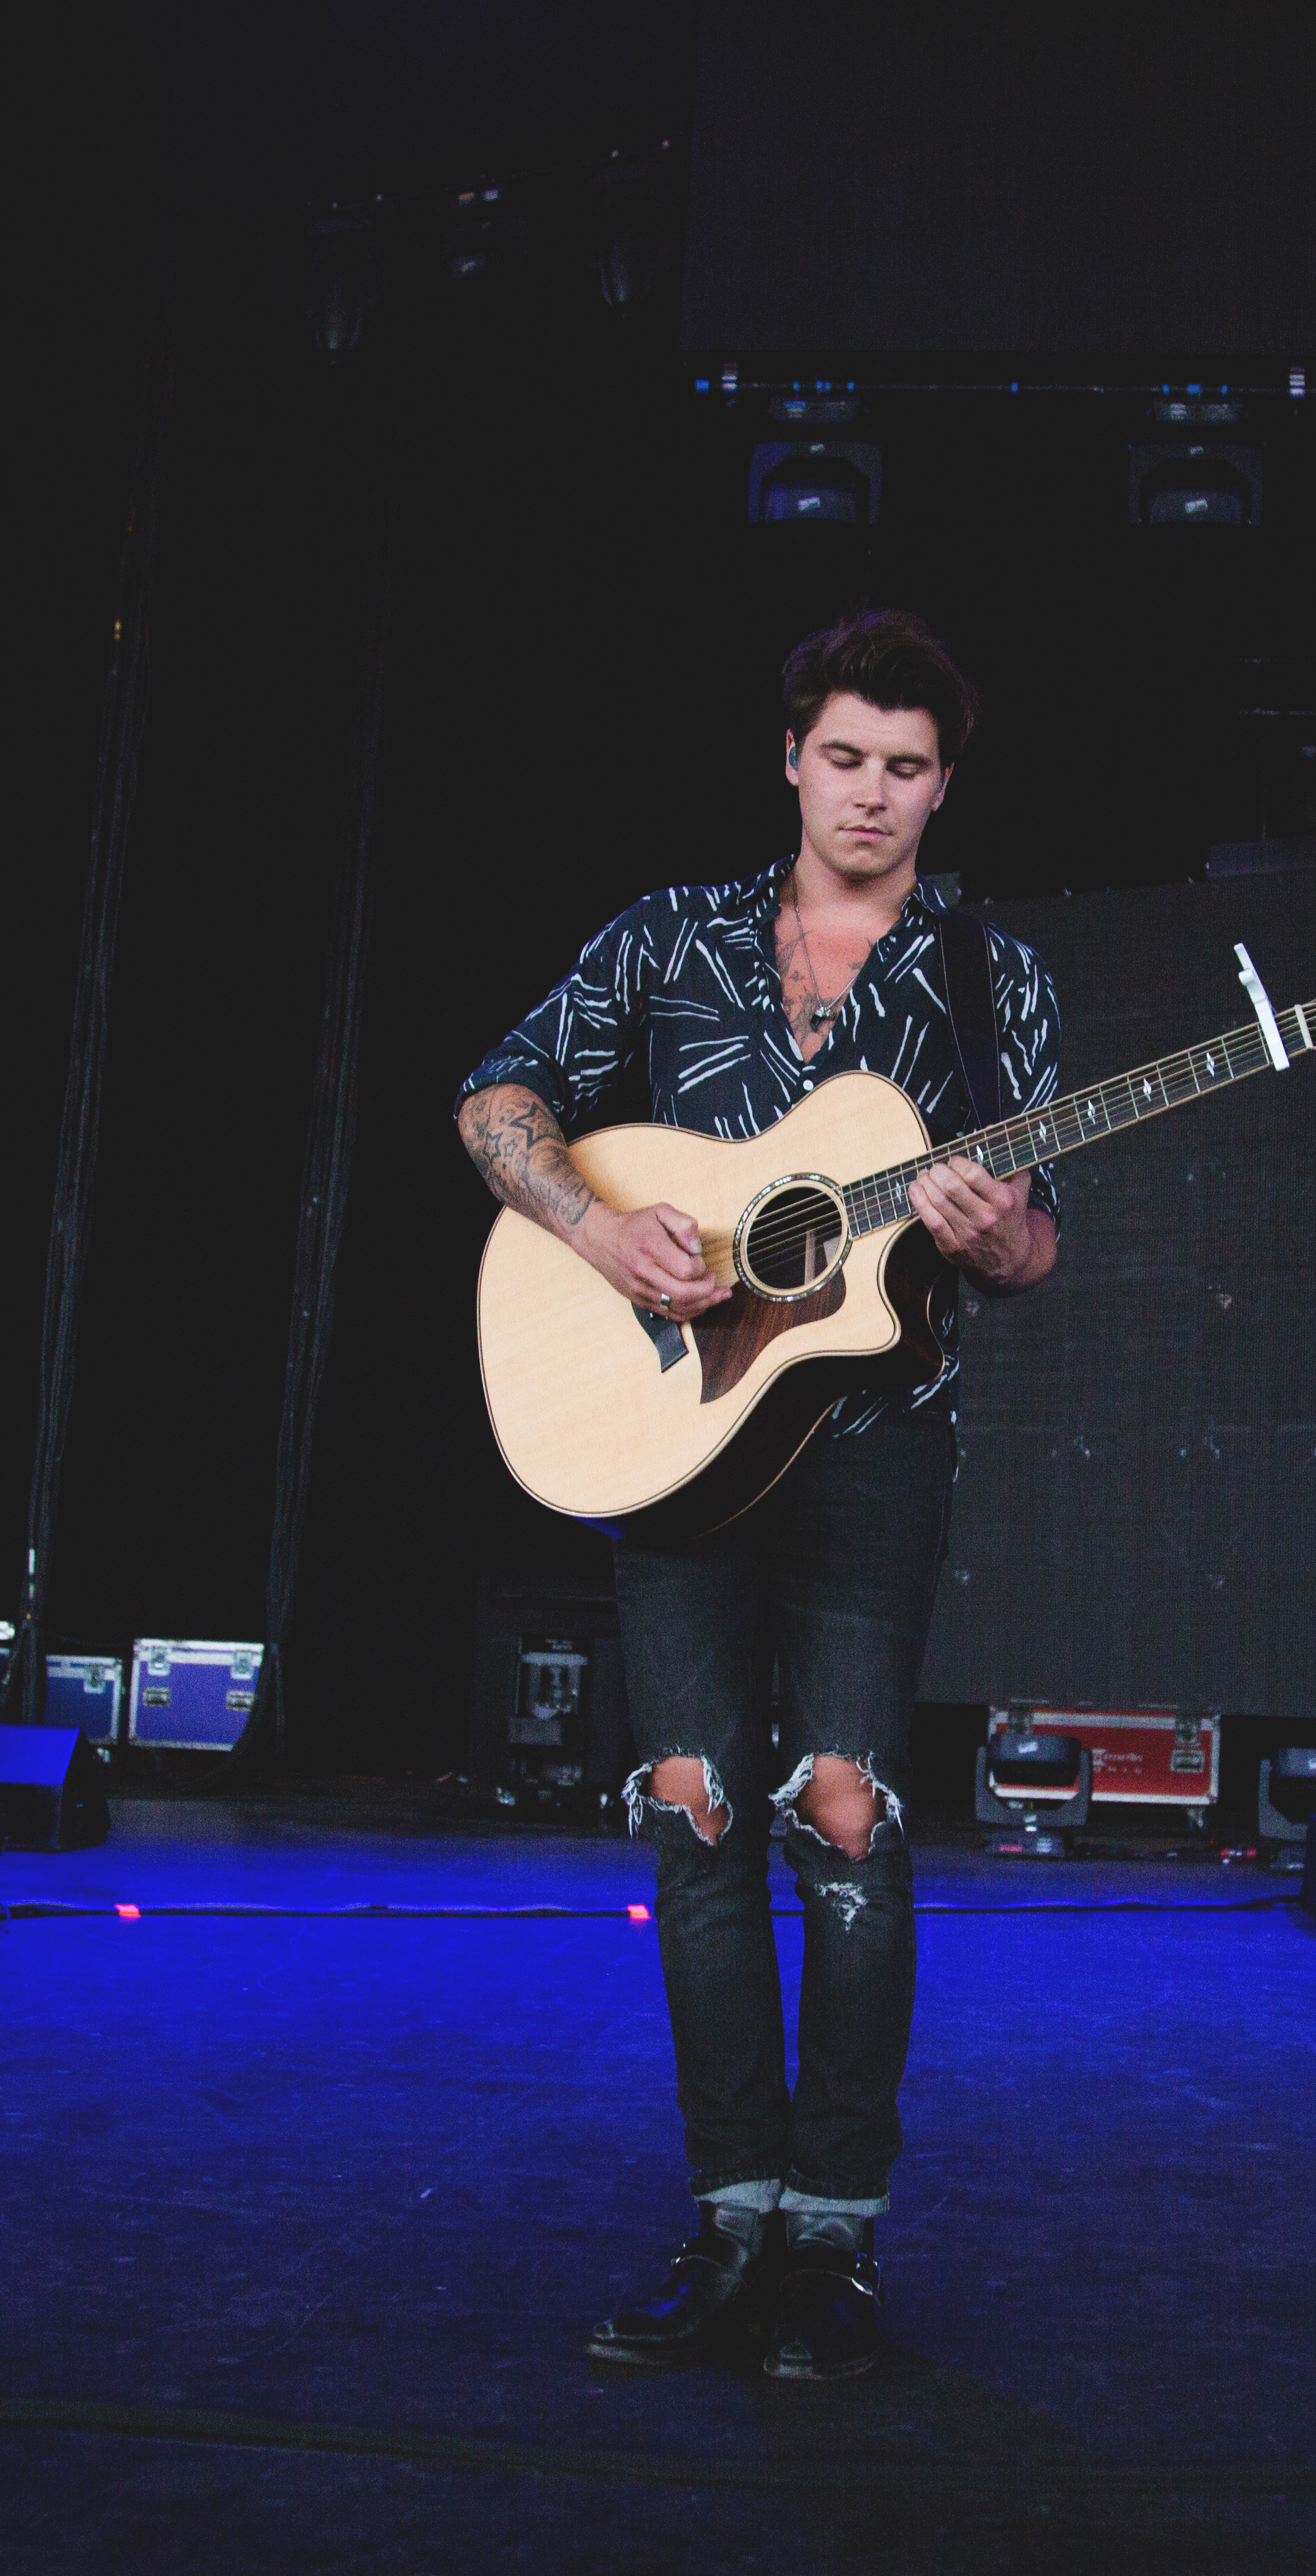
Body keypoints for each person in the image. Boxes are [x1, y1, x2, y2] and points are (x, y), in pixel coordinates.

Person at [451, 609, 1062, 2381]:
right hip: (678, 1430)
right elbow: (495, 1099)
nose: (871, 793)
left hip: (876, 1438)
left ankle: (833, 2247)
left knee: (849, 1820)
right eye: (843, 757)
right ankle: (730, 2223)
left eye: (907, 768)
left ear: (944, 786)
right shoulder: (673, 937)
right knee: (695, 1811)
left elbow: (1037, 1250)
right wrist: (592, 1225)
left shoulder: (991, 977)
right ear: (792, 759)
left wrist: (996, 1236)